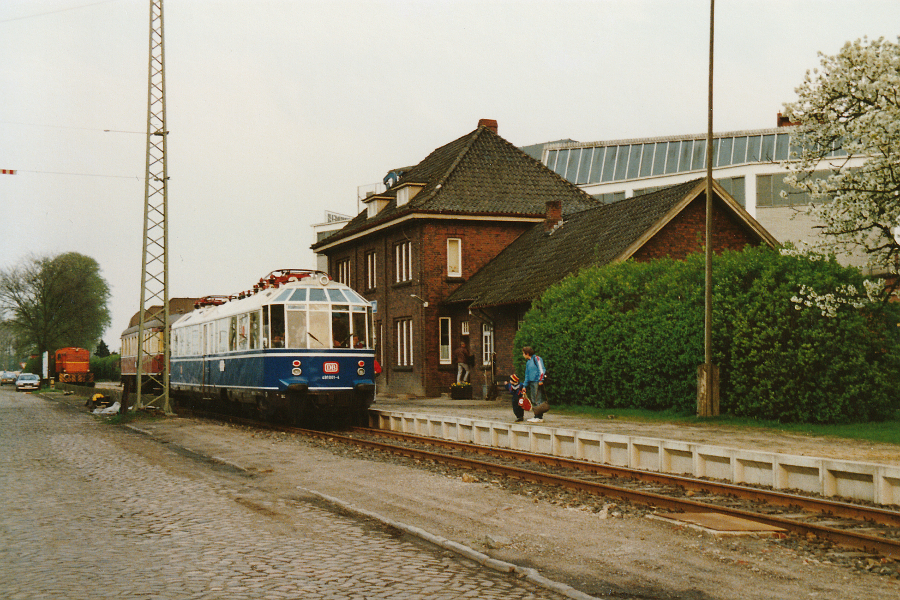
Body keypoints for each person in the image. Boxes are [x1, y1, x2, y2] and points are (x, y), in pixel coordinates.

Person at [521, 345, 548, 423]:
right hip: (531, 382)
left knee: (537, 399)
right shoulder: (528, 362)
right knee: (533, 399)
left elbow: (541, 369)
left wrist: (541, 380)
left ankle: (539, 417)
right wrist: (524, 385)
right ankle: (536, 415)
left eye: (523, 353)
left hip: (537, 382)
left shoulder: (537, 359)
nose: (523, 355)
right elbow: (527, 374)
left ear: (527, 353)